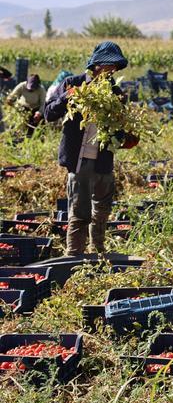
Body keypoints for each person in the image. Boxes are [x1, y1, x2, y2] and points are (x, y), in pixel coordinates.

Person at [43, 42, 139, 256]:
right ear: (96, 65)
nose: (112, 71)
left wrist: (127, 133)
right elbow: (49, 113)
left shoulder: (115, 93)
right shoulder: (72, 83)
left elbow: (119, 129)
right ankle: (74, 256)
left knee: (102, 212)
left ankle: (99, 254)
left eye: (115, 67)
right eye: (109, 66)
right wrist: (70, 96)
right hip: (80, 161)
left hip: (104, 161)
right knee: (80, 213)